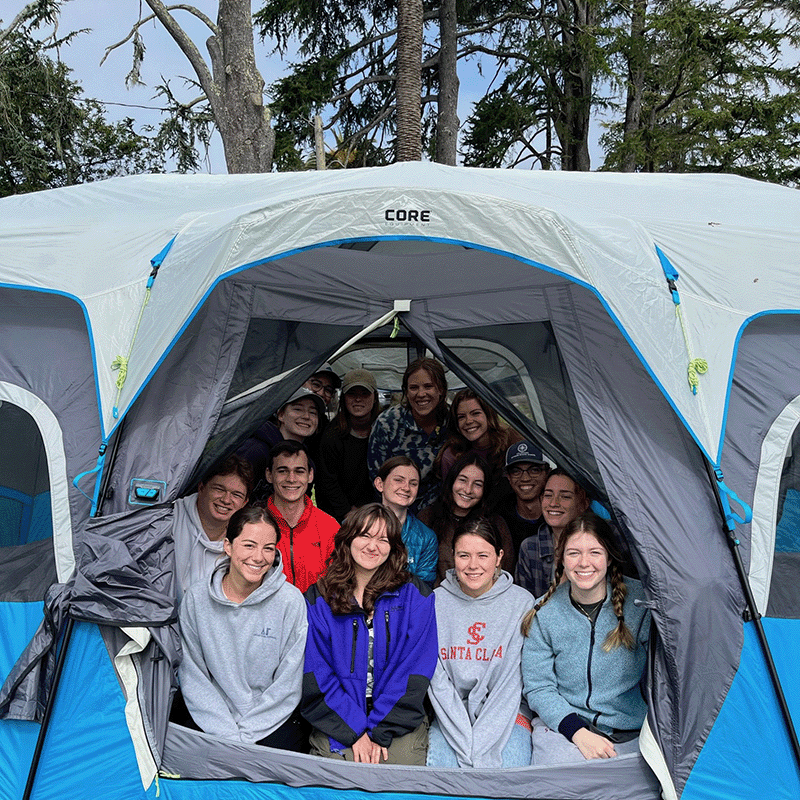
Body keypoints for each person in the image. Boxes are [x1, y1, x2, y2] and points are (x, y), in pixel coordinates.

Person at [302, 503, 438, 764]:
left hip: (397, 717)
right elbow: (316, 673)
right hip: (337, 716)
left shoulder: (416, 597)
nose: (372, 546)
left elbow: (414, 672)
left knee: (398, 778)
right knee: (337, 781)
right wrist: (355, 734)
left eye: (383, 539)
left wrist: (379, 731)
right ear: (349, 538)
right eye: (365, 535)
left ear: (394, 548)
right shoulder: (319, 598)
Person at [521, 513, 650, 765]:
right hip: (564, 729)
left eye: (594, 552)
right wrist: (578, 733)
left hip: (631, 731)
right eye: (573, 553)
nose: (583, 563)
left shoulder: (640, 603)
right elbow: (538, 687)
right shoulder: (544, 612)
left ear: (609, 556)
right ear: (562, 559)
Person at [177, 505, 308, 750]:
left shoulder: (291, 601)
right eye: (249, 545)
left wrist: (245, 738)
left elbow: (288, 683)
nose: (259, 557)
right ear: (228, 546)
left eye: (268, 548)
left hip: (270, 721)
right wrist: (227, 735)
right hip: (210, 718)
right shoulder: (196, 598)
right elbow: (192, 674)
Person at [427, 517, 535, 768]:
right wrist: (464, 741)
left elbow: (510, 685)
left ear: (499, 557)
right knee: (445, 777)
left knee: (507, 775)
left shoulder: (521, 604)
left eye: (483, 556)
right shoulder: (435, 603)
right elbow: (438, 682)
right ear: (452, 556)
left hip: (507, 713)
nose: (473, 565)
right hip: (450, 715)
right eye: (464, 555)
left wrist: (482, 748)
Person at [418, 452, 514, 585]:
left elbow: (505, 571)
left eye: (478, 484)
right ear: (452, 481)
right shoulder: (428, 517)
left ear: (485, 490)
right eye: (462, 480)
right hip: (436, 599)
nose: (468, 490)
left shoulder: (496, 524)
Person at [368, 357, 449, 511]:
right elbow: (377, 476)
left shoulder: (452, 422)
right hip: (395, 510)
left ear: (441, 390)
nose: (421, 394)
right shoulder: (388, 423)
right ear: (405, 391)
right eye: (413, 388)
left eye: (428, 386)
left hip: (441, 511)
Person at [172, 455, 253, 599]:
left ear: (245, 502)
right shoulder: (171, 518)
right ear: (201, 487)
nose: (226, 500)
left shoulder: (246, 538)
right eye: (219, 489)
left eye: (236, 495)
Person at [265, 440, 339, 592]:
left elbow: (339, 584)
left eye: (299, 471)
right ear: (269, 475)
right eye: (282, 471)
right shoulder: (254, 524)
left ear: (310, 475)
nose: (291, 478)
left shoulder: (329, 527)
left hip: (315, 614)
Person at [434, 389, 521, 508]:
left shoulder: (512, 440)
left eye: (475, 413)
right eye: (461, 417)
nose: (469, 421)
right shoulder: (452, 454)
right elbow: (450, 501)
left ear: (488, 415)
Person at [316, 369, 380, 521]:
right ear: (343, 398)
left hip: (375, 510)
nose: (358, 399)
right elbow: (327, 480)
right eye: (352, 394)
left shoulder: (383, 430)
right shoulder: (332, 435)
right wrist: (347, 511)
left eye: (364, 394)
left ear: (374, 397)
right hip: (337, 513)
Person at [515, 468, 589, 598]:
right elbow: (524, 604)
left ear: (583, 503)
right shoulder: (530, 547)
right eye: (548, 495)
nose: (554, 503)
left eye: (565, 496)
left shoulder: (605, 537)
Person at [236, 387, 327, 488]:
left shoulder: (306, 457)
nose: (306, 416)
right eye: (298, 409)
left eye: (313, 412)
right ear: (281, 415)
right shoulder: (255, 450)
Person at [373, 456, 438, 586]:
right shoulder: (355, 524)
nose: (406, 488)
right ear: (380, 484)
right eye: (398, 480)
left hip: (403, 605)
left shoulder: (426, 538)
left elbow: (422, 589)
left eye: (413, 483)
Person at [496, 441, 551, 556]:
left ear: (547, 473)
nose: (525, 478)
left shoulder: (558, 517)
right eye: (516, 471)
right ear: (508, 477)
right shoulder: (499, 519)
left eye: (534, 470)